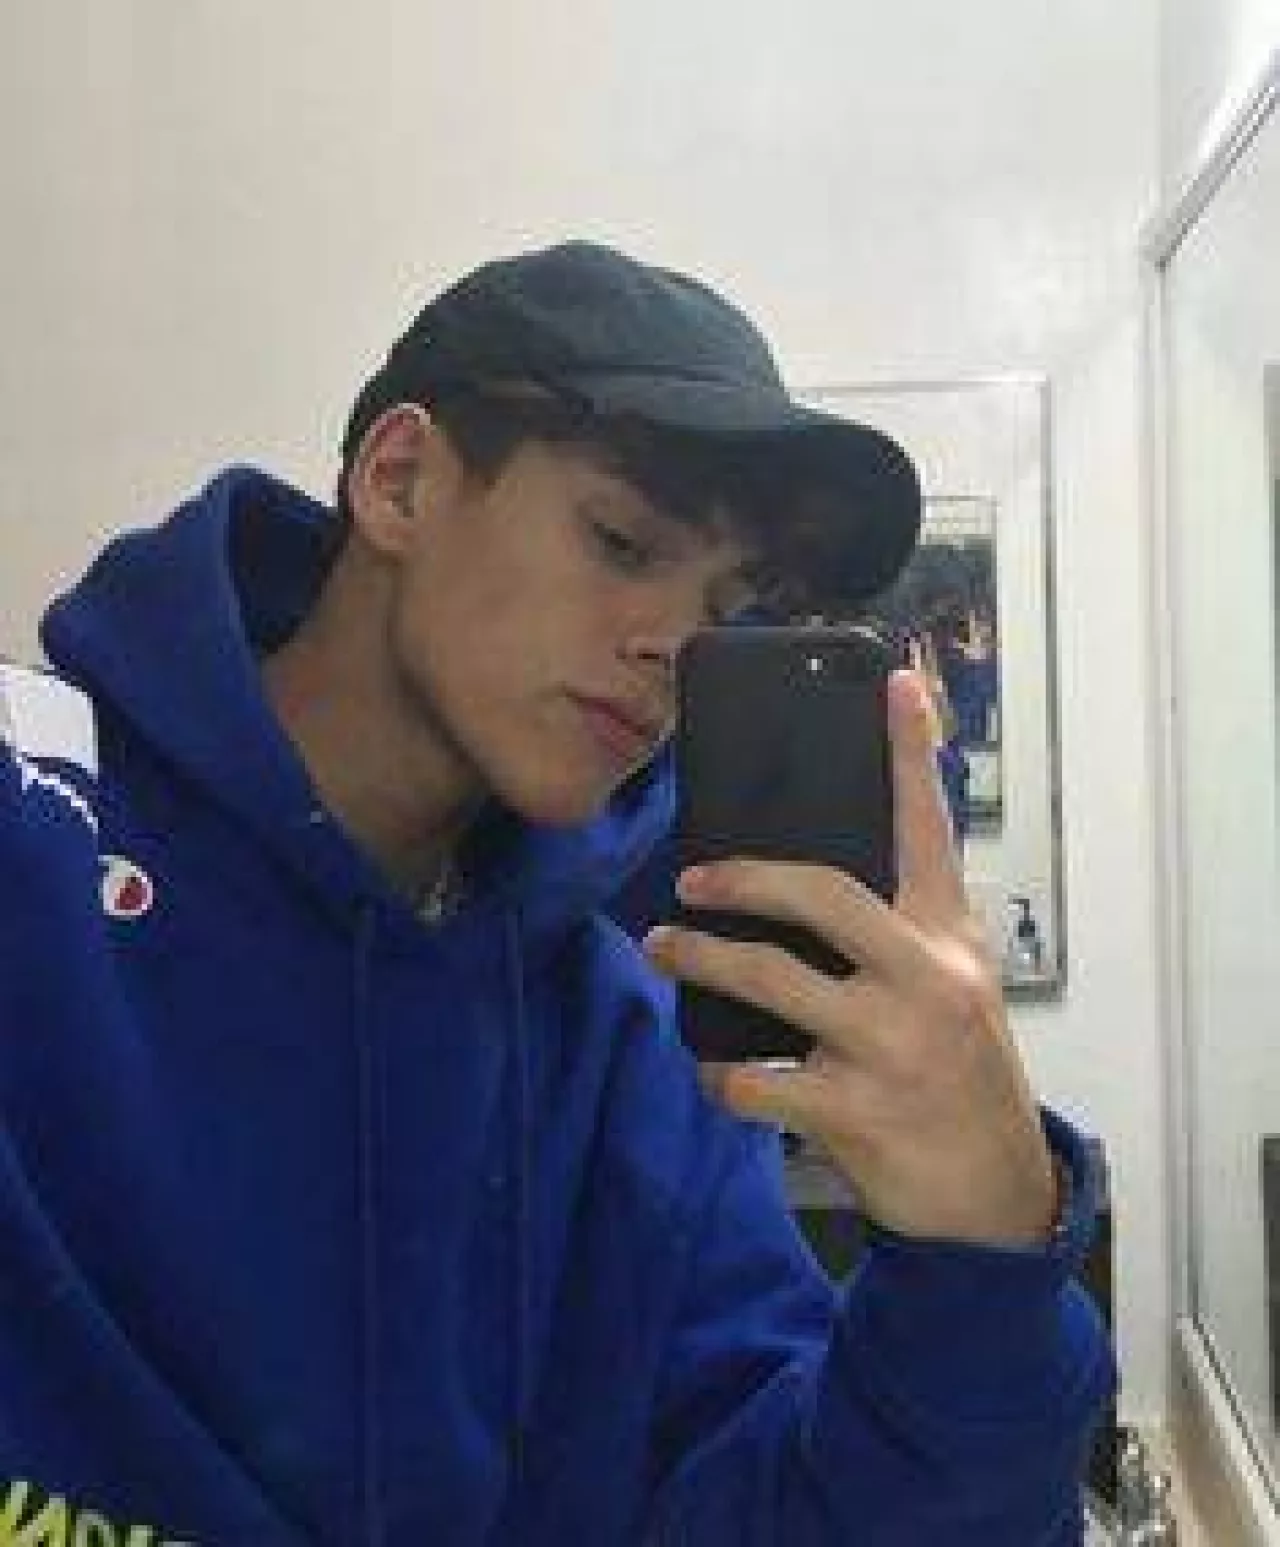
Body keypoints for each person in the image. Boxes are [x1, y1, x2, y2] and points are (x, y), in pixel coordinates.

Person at [0, 240, 1113, 1546]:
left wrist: (983, 1260)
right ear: (400, 480)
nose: (673, 645)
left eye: (731, 608)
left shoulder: (636, 1053)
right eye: (622, 540)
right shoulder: (35, 838)